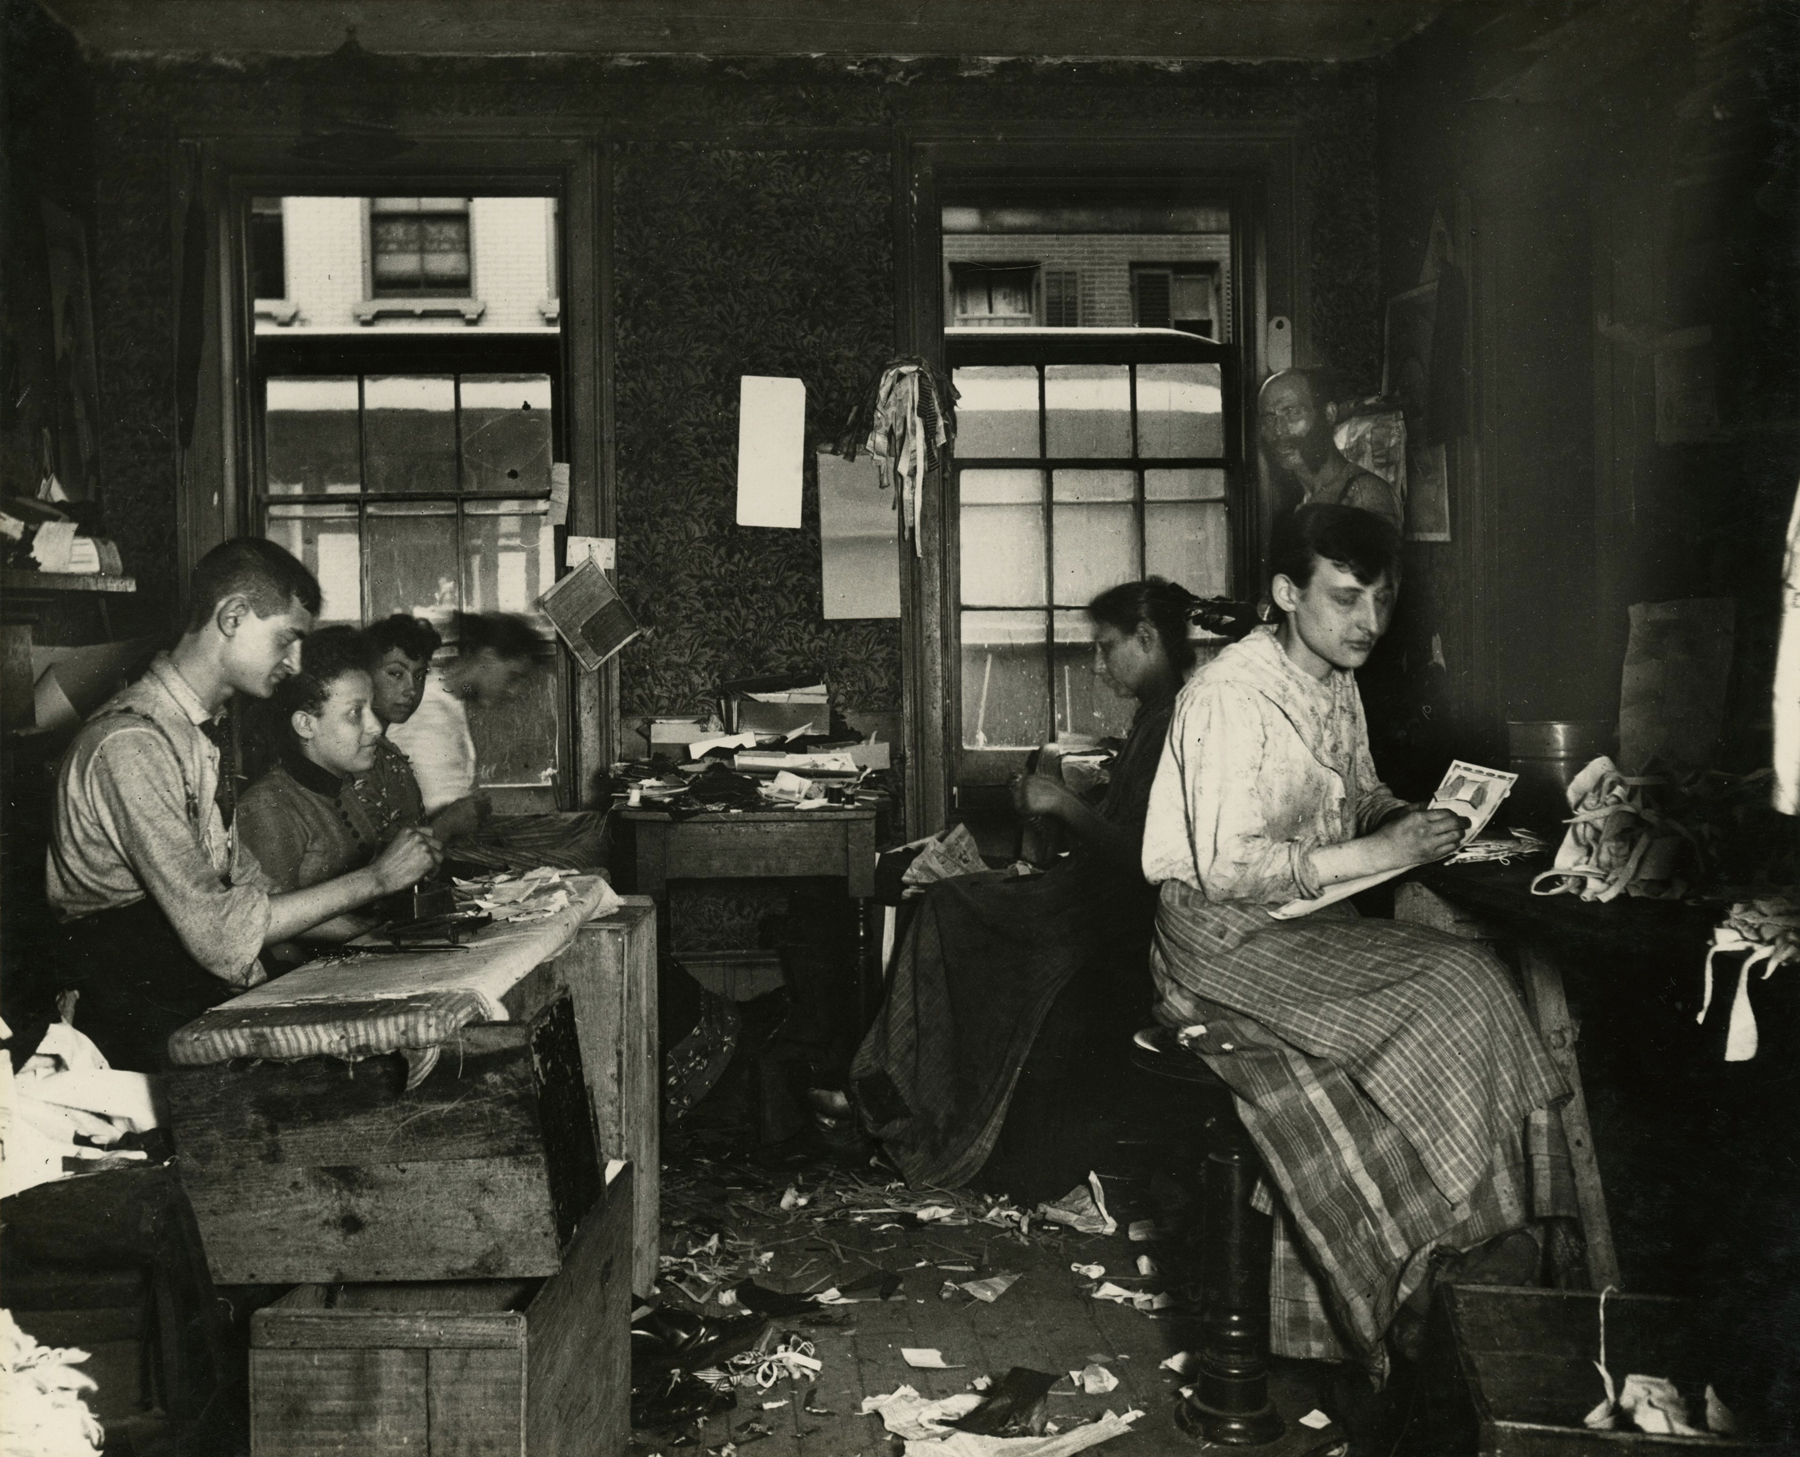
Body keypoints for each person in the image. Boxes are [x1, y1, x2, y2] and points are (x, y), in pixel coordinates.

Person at [1140, 503, 1567, 1372]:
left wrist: (1413, 820)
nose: (1368, 623)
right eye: (1345, 599)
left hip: (1297, 923)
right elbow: (1227, 866)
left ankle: (1475, 1252)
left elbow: (1358, 790)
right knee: (1454, 983)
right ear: (1286, 593)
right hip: (1219, 941)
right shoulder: (1228, 696)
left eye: (1381, 599)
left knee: (1471, 967)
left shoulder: (1335, 680)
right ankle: (1425, 1278)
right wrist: (1381, 851)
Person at [43, 539, 442, 1071]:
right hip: (131, 1033)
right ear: (232, 616)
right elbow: (222, 933)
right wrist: (376, 881)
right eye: (287, 638)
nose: (295, 661)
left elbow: (257, 895)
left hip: (183, 999)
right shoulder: (131, 744)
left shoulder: (194, 734)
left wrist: (379, 940)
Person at [847, 578, 1193, 1189]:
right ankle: (895, 1094)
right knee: (947, 899)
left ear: (1148, 639)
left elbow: (1142, 856)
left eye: (1107, 647)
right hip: (1093, 894)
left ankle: (913, 1104)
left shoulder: (1175, 723)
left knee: (949, 910)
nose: (1097, 662)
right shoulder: (1153, 716)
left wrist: (1061, 802)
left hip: (1118, 914)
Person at [235, 627, 440, 951]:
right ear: (305, 725)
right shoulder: (269, 806)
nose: (374, 728)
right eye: (355, 713)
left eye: (371, 710)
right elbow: (262, 931)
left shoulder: (342, 789)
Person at [352, 612, 488, 845]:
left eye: (419, 676)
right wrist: (446, 825)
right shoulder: (352, 754)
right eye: (395, 674)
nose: (411, 690)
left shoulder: (390, 756)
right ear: (364, 675)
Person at [1257, 368, 1403, 532]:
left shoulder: (1363, 496)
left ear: (1329, 414)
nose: (1278, 430)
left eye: (1293, 412)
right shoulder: (1299, 500)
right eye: (1269, 417)